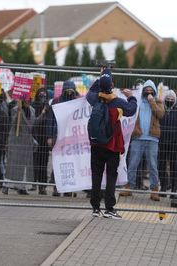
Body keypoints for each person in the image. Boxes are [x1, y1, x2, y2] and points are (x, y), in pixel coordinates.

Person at [86, 68, 137, 218]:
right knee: (111, 177)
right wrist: (132, 97)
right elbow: (132, 110)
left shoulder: (94, 98)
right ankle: (110, 208)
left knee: (96, 176)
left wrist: (101, 77)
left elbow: (91, 91)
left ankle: (95, 208)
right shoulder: (118, 102)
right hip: (112, 146)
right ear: (112, 85)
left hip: (96, 145)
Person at [121, 80, 164, 201]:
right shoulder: (138, 101)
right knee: (133, 164)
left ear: (154, 91)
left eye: (151, 90)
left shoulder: (158, 101)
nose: (148, 92)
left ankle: (154, 190)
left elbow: (160, 114)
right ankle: (128, 187)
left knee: (153, 165)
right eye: (146, 90)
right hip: (138, 138)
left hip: (152, 139)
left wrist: (151, 101)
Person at [46, 80, 79, 197]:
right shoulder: (56, 101)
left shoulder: (77, 101)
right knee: (58, 162)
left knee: (71, 163)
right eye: (67, 90)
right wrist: (50, 136)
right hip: (58, 135)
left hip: (72, 137)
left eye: (71, 90)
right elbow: (50, 120)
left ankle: (68, 188)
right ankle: (56, 187)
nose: (69, 93)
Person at [3, 98, 35, 195]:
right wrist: (19, 112)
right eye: (25, 99)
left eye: (29, 99)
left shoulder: (32, 110)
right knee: (12, 165)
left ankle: (22, 186)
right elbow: (14, 122)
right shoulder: (15, 109)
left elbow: (33, 124)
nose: (27, 101)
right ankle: (6, 185)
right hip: (16, 140)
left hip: (26, 141)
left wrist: (42, 114)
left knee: (24, 166)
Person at [157, 90, 177, 197]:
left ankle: (174, 189)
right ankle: (163, 185)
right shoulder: (161, 110)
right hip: (161, 141)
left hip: (174, 142)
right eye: (168, 99)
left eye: (172, 99)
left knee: (174, 166)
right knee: (161, 165)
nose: (170, 100)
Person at [31, 88, 50, 195]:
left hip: (45, 139)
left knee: (44, 164)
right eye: (41, 95)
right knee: (35, 163)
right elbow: (33, 123)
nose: (42, 98)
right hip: (35, 138)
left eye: (44, 96)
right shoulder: (34, 106)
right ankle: (34, 182)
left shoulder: (49, 107)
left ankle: (42, 186)